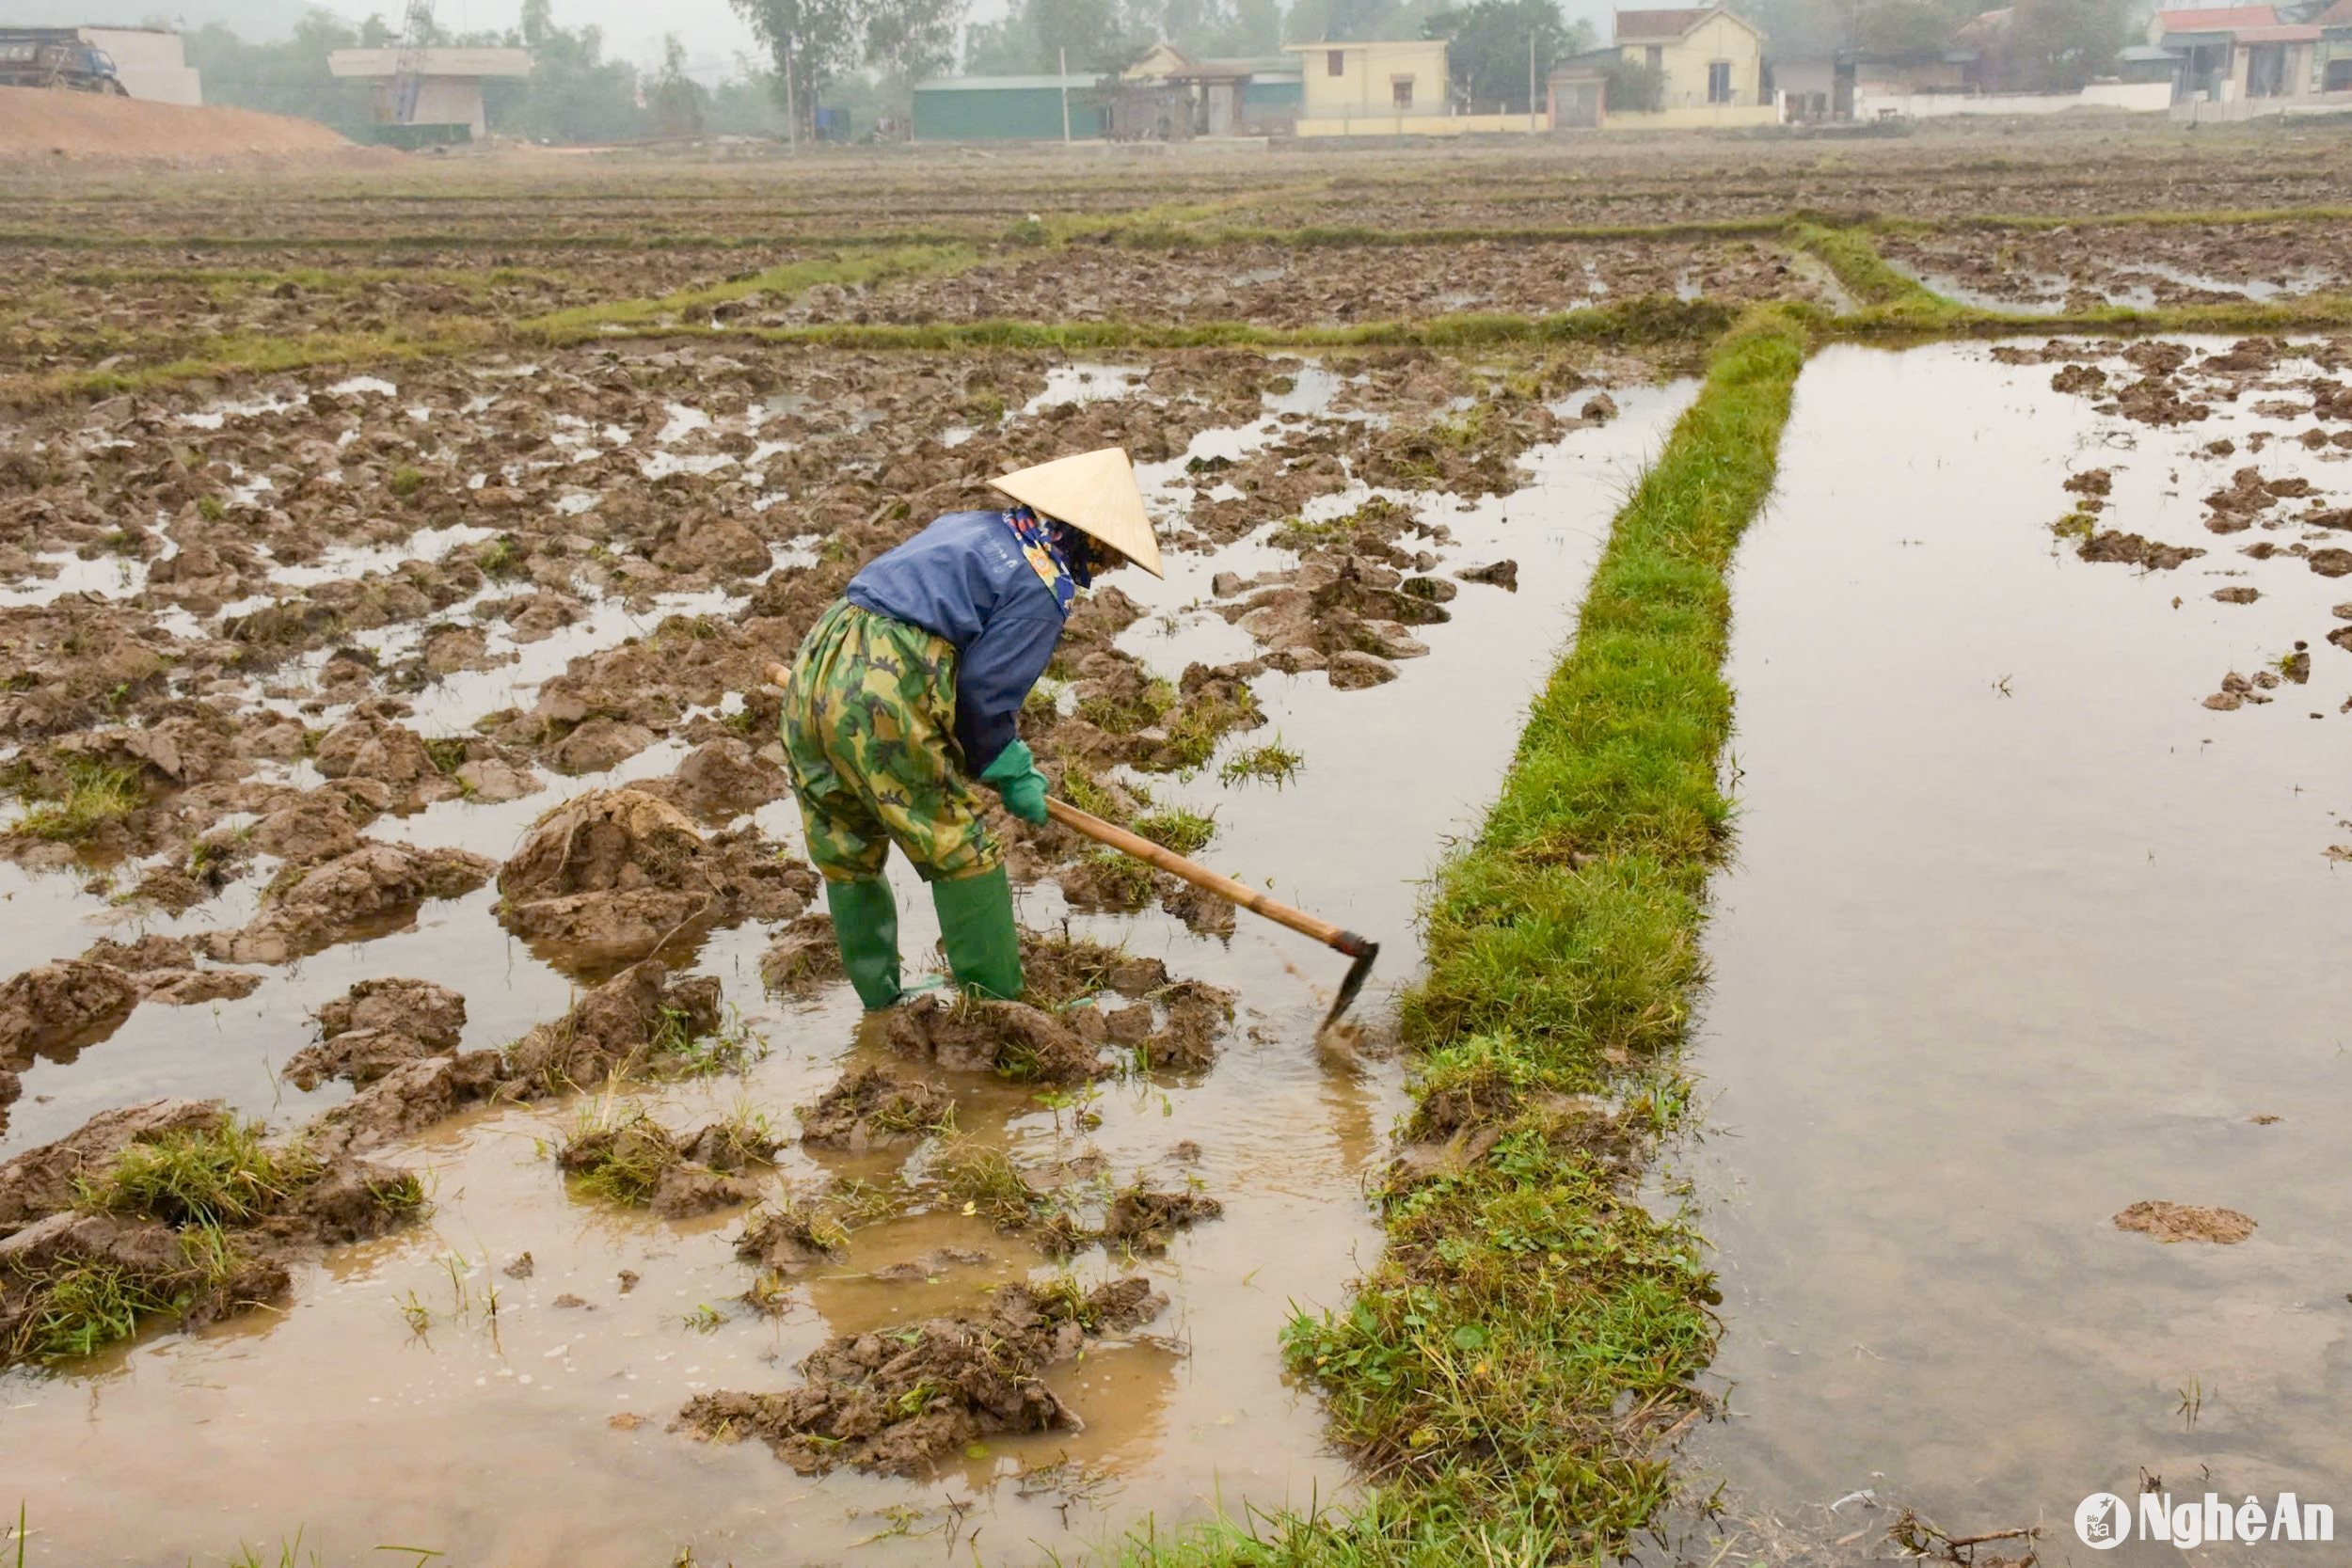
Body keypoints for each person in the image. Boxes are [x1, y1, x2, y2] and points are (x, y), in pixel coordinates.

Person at [779, 447, 1164, 1009]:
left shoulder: (970, 527)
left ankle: (881, 1004)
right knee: (960, 844)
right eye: (1111, 556)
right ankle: (998, 1009)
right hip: (888, 685)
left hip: (821, 660)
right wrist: (1010, 770)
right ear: (1093, 540)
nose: (1108, 569)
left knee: (845, 838)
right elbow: (983, 698)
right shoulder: (1041, 587)